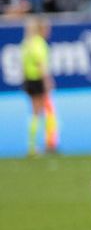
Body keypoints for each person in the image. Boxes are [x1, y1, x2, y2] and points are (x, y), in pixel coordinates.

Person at [22, 15, 59, 156]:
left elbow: (23, 66)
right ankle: (50, 143)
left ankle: (32, 146)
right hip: (38, 81)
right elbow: (41, 66)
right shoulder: (39, 44)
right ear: (42, 29)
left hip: (29, 81)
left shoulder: (26, 44)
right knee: (48, 111)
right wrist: (48, 82)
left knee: (35, 113)